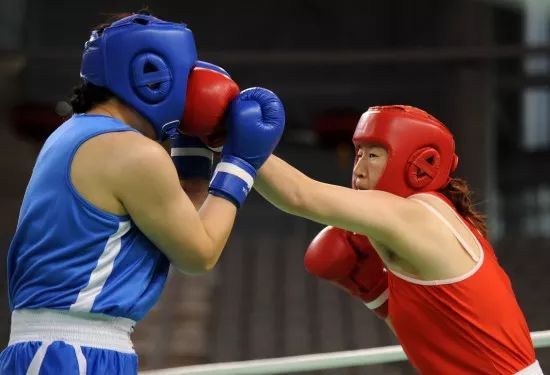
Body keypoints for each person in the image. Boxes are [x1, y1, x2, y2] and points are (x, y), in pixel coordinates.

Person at [0, 11, 285, 375]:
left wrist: (193, 154)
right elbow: (199, 254)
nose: (189, 91)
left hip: (75, 347)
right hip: (73, 351)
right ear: (152, 74)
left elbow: (178, 229)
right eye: (185, 78)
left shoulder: (75, 134)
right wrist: (240, 163)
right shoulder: (131, 152)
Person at [254, 105, 542, 374]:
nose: (359, 168)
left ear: (418, 164)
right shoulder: (415, 227)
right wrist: (377, 296)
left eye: (374, 155)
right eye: (359, 153)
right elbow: (438, 339)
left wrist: (237, 142)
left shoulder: (417, 218)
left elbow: (299, 196)